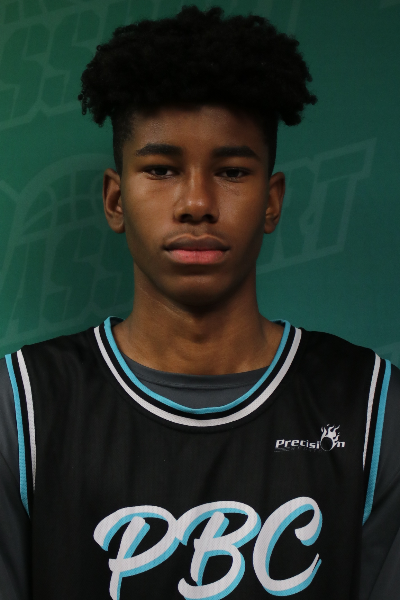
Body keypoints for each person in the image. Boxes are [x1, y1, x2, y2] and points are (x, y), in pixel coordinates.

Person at [0, 5, 399, 599]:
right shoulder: (22, 408)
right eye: (161, 169)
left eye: (232, 172)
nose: (196, 203)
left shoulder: (371, 408)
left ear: (272, 200)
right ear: (115, 200)